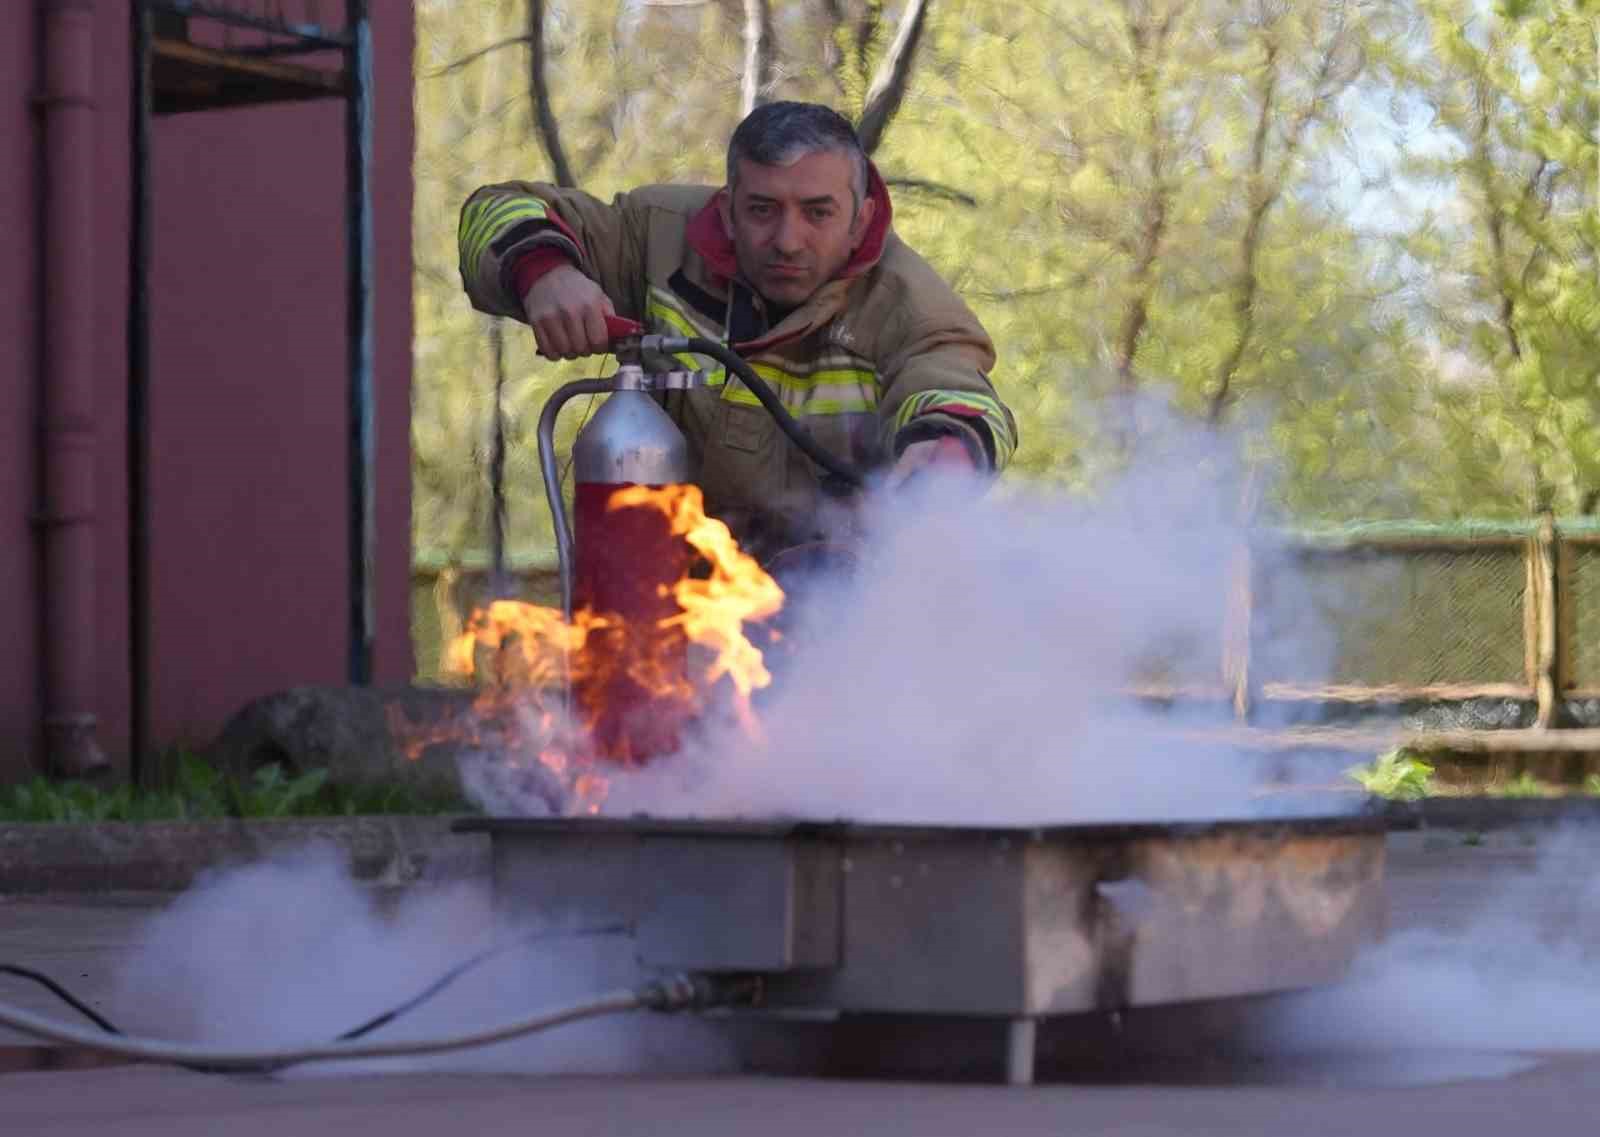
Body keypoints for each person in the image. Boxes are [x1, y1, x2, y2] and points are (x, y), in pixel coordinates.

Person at [457, 101, 1018, 563]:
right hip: (652, 620)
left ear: (862, 219)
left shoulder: (906, 303)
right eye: (763, 210)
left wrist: (940, 460)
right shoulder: (655, 238)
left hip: (831, 630)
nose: (788, 240)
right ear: (726, 210)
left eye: (818, 212)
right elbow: (495, 210)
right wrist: (543, 272)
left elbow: (953, 384)